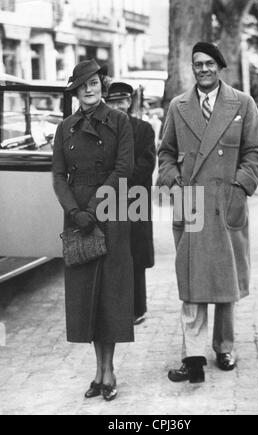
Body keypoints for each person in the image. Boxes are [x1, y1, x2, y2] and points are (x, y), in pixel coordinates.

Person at [158, 42, 258, 384]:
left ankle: (225, 345)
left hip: (226, 204)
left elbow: (255, 152)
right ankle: (193, 352)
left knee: (225, 279)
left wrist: (240, 186)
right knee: (192, 281)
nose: (203, 69)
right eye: (197, 64)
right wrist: (175, 182)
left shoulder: (242, 103)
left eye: (209, 64)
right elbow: (165, 152)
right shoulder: (178, 106)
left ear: (220, 67)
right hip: (192, 203)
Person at [52, 60, 135, 401]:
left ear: (102, 84)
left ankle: (109, 370)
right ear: (75, 90)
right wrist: (74, 210)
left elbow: (124, 167)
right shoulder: (65, 128)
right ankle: (96, 371)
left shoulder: (120, 122)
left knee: (110, 296)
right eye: (82, 85)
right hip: (78, 218)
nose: (89, 89)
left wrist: (94, 207)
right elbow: (58, 175)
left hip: (110, 212)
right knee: (86, 295)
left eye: (94, 83)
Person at [105, 82, 156, 325]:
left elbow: (147, 165)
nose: (118, 106)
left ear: (130, 102)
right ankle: (115, 307)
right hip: (110, 202)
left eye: (122, 101)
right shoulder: (102, 130)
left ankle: (138, 308)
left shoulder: (144, 129)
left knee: (135, 254)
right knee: (112, 254)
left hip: (135, 200)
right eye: (113, 102)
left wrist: (118, 178)